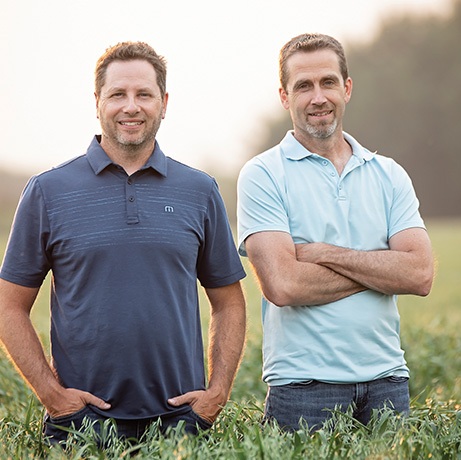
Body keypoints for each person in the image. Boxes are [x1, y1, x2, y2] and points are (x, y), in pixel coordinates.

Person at [0, 41, 246, 444]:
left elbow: (229, 302)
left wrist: (216, 395)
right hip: (80, 425)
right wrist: (54, 398)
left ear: (164, 103)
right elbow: (8, 306)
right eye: (118, 94)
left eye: (144, 94)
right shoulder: (48, 191)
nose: (131, 107)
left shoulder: (199, 190)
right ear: (97, 101)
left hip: (182, 425)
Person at [237, 33, 433, 432]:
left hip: (388, 381)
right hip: (303, 387)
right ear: (284, 96)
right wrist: (382, 270)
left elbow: (419, 275)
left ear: (347, 88)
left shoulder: (389, 174)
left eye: (328, 82)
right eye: (303, 86)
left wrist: (324, 253)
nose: (318, 97)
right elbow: (284, 285)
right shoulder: (263, 174)